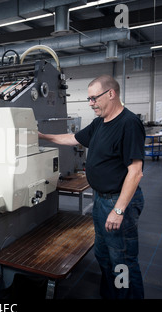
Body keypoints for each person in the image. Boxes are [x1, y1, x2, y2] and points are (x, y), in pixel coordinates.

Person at [38, 75, 145, 299]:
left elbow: (135, 172)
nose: (90, 103)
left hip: (117, 202)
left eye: (94, 98)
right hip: (100, 200)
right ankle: (111, 295)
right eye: (89, 99)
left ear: (111, 94)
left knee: (122, 261)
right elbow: (73, 138)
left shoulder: (129, 123)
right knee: (104, 255)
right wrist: (40, 136)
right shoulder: (99, 123)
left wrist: (118, 210)